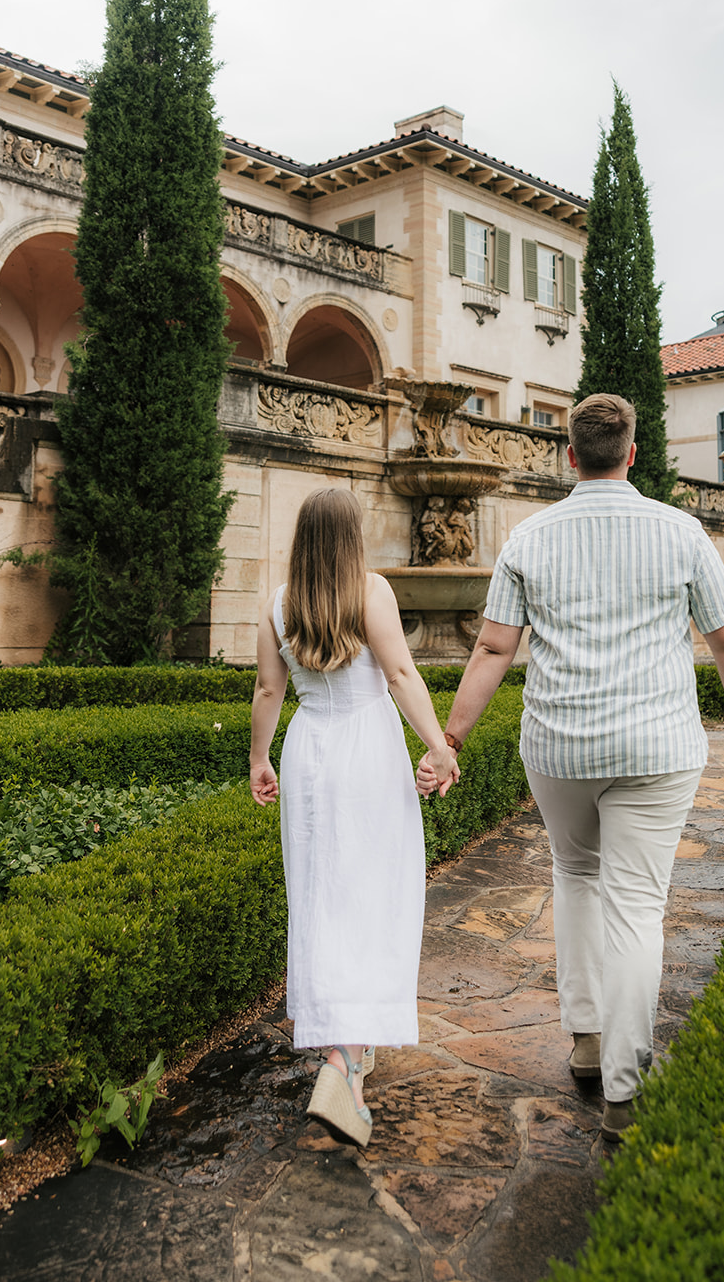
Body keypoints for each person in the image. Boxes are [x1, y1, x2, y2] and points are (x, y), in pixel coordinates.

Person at [438, 393, 724, 1142]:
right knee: (637, 906)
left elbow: (493, 647)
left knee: (576, 875)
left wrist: (451, 735)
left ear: (570, 456)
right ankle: (625, 1081)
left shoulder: (529, 536)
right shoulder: (681, 532)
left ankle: (586, 1040)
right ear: (633, 453)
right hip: (655, 748)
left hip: (560, 745)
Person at [249, 488, 459, 1148]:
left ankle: (348, 1056)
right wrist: (438, 745)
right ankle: (343, 1063)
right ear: (350, 537)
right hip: (367, 752)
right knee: (374, 898)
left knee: (320, 900)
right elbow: (400, 674)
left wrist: (259, 758)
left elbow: (268, 689)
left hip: (308, 749)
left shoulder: (279, 603)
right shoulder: (370, 590)